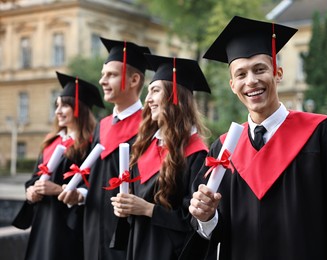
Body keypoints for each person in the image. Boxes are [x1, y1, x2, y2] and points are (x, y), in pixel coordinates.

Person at [185, 16, 327, 260]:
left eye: (260, 69)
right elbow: (217, 229)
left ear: (278, 73)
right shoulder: (223, 150)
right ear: (232, 85)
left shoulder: (321, 134)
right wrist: (206, 217)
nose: (251, 81)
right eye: (241, 74)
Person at [110, 54, 211, 260]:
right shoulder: (144, 146)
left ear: (175, 96)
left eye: (155, 91)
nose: (147, 99)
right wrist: (125, 209)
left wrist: (148, 209)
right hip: (137, 246)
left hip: (168, 253)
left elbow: (194, 221)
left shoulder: (196, 154)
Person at [58, 37, 151, 260]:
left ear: (134, 79)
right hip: (93, 228)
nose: (102, 81)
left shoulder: (149, 126)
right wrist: (79, 194)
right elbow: (95, 178)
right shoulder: (102, 126)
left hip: (128, 231)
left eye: (111, 75)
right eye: (103, 74)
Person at [12, 71, 105, 260]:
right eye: (57, 106)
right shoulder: (51, 141)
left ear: (78, 108)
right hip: (42, 221)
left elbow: (92, 186)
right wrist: (31, 192)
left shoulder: (89, 145)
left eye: (64, 105)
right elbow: (34, 178)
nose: (58, 111)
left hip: (67, 225)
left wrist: (57, 189)